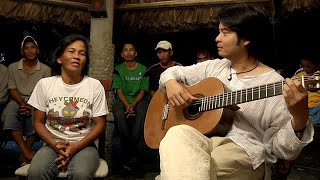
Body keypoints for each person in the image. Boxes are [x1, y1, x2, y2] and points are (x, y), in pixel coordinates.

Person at [156, 4, 313, 180]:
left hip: (245, 151)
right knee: (176, 134)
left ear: (246, 39)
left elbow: (283, 150)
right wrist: (170, 83)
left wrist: (299, 118)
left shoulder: (274, 84)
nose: (217, 38)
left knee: (176, 171)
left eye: (224, 32)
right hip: (202, 140)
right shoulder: (213, 67)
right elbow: (171, 72)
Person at [27, 34, 108, 179]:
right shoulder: (45, 85)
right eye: (71, 51)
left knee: (80, 174)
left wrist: (76, 147)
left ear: (85, 61)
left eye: (81, 53)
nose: (76, 56)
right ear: (59, 58)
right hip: (52, 144)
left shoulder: (94, 86)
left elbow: (100, 124)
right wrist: (55, 144)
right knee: (36, 173)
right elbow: (38, 123)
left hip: (85, 146)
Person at [1, 36, 51, 165]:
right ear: (22, 51)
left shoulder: (45, 69)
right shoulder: (13, 67)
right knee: (9, 113)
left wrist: (30, 104)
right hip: (17, 99)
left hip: (37, 100)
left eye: (33, 48)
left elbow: (44, 91)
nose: (30, 51)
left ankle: (24, 154)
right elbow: (12, 89)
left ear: (37, 50)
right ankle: (27, 152)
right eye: (26, 48)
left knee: (38, 116)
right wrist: (23, 104)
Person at [112, 41, 149, 172]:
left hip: (139, 101)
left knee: (142, 111)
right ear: (122, 54)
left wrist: (133, 105)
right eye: (125, 50)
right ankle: (131, 151)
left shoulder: (144, 70)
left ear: (136, 53)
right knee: (118, 113)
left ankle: (130, 152)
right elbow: (119, 91)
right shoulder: (118, 70)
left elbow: (143, 91)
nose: (128, 52)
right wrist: (127, 105)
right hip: (123, 101)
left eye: (131, 50)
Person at [293, 55, 320, 125]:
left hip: (317, 106)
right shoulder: (299, 73)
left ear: (317, 65)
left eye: (308, 66)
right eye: (302, 66)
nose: (305, 69)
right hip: (303, 106)